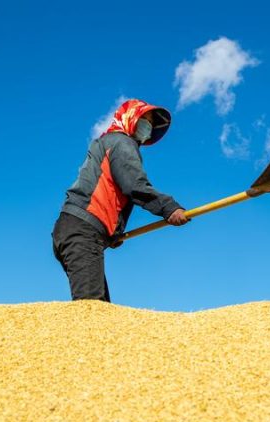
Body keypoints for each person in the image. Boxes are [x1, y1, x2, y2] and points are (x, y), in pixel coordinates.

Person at [52, 99, 189, 302]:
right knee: (91, 309)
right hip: (82, 231)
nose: (148, 127)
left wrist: (112, 233)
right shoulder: (121, 142)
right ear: (131, 117)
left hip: (76, 230)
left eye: (151, 123)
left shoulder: (107, 143)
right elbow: (134, 185)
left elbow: (110, 192)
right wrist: (169, 208)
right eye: (145, 120)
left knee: (100, 307)